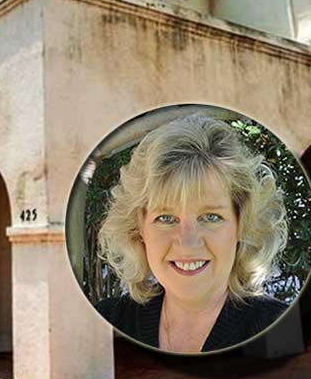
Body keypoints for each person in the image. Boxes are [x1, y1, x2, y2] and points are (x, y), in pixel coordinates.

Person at [95, 113, 290, 353]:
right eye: (166, 218)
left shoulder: (279, 329)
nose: (187, 242)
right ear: (139, 230)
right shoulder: (106, 323)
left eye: (210, 217)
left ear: (241, 225)